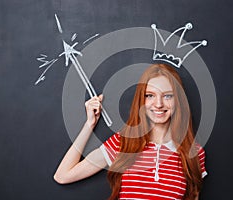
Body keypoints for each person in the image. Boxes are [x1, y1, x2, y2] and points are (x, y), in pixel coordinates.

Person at [54, 63, 207, 200]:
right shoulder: (124, 143)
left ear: (178, 100)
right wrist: (90, 124)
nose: (158, 104)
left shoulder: (194, 152)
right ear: (142, 100)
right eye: (150, 96)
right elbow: (63, 175)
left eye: (167, 96)